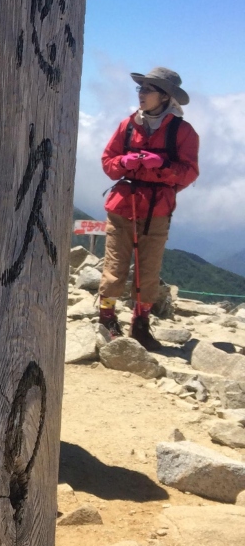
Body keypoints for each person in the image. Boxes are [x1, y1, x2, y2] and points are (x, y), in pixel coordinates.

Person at [99, 67, 199, 350]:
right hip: (124, 206)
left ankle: (140, 324)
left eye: (147, 90)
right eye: (140, 89)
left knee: (149, 268)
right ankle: (106, 319)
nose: (141, 94)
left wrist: (163, 165)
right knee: (115, 266)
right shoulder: (128, 125)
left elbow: (189, 173)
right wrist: (123, 163)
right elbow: (108, 163)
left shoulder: (183, 132)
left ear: (165, 96)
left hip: (156, 209)